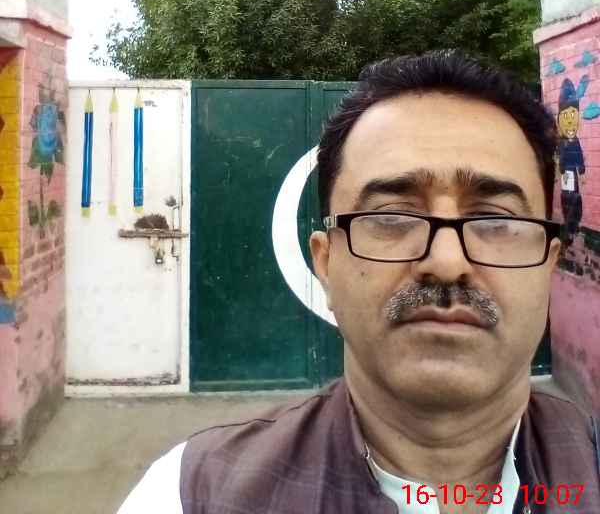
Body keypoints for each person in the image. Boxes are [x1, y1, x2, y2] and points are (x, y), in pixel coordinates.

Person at [117, 51, 600, 514]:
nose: (447, 261)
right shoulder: (194, 493)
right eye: (392, 215)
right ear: (325, 264)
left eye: (494, 219)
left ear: (548, 265)